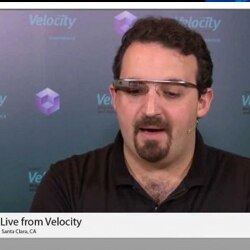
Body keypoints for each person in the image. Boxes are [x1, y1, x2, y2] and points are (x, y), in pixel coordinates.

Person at [30, 16, 250, 212]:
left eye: (172, 93)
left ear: (202, 102)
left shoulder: (244, 185)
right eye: (134, 90)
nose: (151, 110)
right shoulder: (66, 186)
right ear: (115, 97)